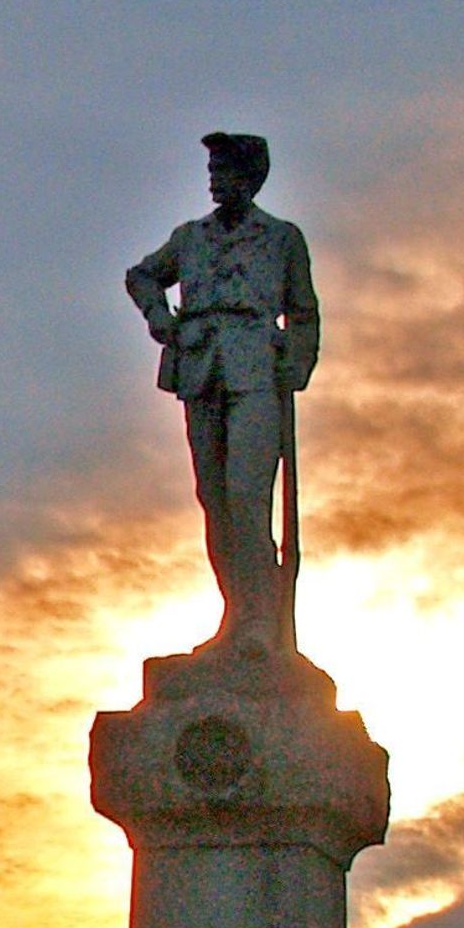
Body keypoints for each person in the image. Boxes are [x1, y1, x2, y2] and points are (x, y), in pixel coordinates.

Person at [123, 131, 320, 652]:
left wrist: (295, 366)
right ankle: (236, 617)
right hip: (200, 369)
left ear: (250, 177)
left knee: (247, 498)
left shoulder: (281, 239)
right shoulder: (190, 237)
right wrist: (158, 316)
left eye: (225, 169)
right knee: (215, 502)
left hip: (256, 371)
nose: (214, 179)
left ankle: (261, 622)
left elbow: (303, 312)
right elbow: (143, 276)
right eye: (211, 169)